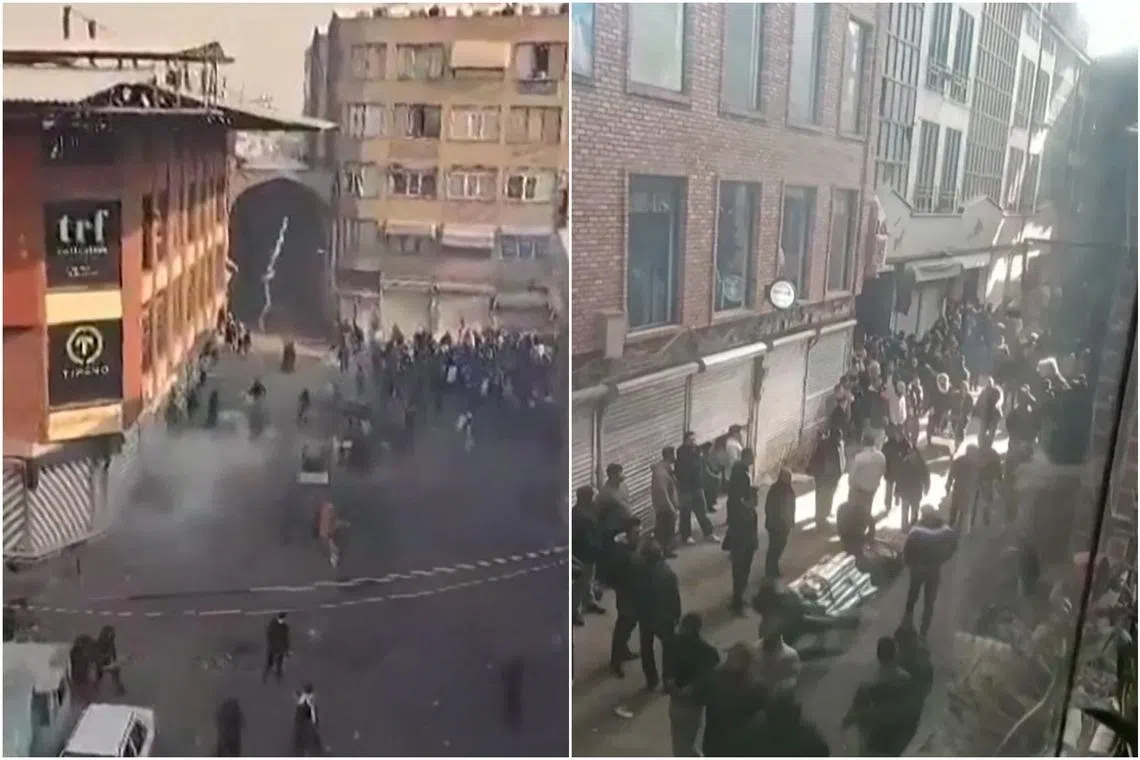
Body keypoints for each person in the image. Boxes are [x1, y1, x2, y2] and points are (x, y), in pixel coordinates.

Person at [842, 637, 914, 756]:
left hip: (872, 740)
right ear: (895, 654)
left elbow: (856, 708)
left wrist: (847, 721)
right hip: (894, 741)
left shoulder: (869, 680)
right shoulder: (905, 679)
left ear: (878, 655)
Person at [663, 613, 720, 756]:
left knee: (680, 744)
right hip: (695, 703)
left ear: (683, 626)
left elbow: (668, 675)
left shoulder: (672, 644)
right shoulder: (708, 652)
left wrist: (675, 689)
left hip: (677, 702)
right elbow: (710, 676)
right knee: (686, 742)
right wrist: (692, 688)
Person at [696, 644, 766, 758]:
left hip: (717, 743)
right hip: (740, 744)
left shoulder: (715, 679)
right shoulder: (756, 686)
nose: (726, 660)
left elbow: (698, 696)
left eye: (730, 657)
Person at [901, 505, 957, 636]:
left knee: (912, 597)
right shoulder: (945, 530)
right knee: (929, 601)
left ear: (923, 514)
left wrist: (910, 564)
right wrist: (942, 559)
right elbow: (954, 546)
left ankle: (907, 623)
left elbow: (907, 550)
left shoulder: (916, 530)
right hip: (934, 570)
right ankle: (924, 631)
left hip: (918, 569)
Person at [633, 539, 681, 691]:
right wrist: (676, 615)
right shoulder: (667, 573)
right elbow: (674, 597)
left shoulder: (638, 571)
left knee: (646, 649)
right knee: (669, 649)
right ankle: (668, 680)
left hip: (646, 617)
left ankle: (651, 680)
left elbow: (635, 595)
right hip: (665, 618)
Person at [724, 448, 759, 614]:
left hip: (745, 542)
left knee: (742, 570)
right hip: (741, 541)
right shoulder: (741, 475)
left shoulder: (741, 472)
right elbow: (735, 499)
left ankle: (739, 597)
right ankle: (738, 601)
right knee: (739, 570)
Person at [571, 486, 605, 626]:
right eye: (590, 495)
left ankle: (589, 602)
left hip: (591, 552)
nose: (592, 498)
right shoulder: (576, 514)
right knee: (579, 585)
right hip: (581, 555)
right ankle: (574, 611)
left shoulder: (591, 509)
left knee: (589, 580)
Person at [675, 432, 717, 544]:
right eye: (691, 440)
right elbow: (681, 472)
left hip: (697, 487)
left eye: (694, 440)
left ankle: (709, 533)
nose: (693, 442)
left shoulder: (697, 451)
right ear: (685, 441)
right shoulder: (682, 454)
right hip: (686, 489)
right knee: (685, 513)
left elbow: (700, 466)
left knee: (702, 512)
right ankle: (686, 536)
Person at [807, 427, 844, 529]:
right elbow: (833, 463)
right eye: (839, 437)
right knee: (825, 498)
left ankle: (821, 516)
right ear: (835, 437)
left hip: (824, 477)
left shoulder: (827, 444)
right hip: (827, 478)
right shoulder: (831, 446)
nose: (840, 439)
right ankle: (821, 519)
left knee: (822, 498)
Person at [750, 623, 801, 697]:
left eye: (773, 632)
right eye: (767, 631)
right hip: (757, 697)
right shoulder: (754, 650)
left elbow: (792, 681)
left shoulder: (790, 655)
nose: (769, 634)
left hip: (780, 699)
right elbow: (752, 676)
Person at [763, 468, 796, 579]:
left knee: (780, 546)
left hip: (784, 525)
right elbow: (770, 508)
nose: (789, 479)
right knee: (774, 547)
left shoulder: (788, 489)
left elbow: (792, 507)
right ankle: (771, 570)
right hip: (776, 525)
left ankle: (772, 567)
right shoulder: (775, 490)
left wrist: (791, 520)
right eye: (787, 477)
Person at [848, 433, 886, 520]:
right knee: (868, 504)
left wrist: (851, 483)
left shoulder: (859, 457)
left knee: (857, 505)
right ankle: (866, 519)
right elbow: (883, 471)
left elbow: (853, 473)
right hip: (873, 486)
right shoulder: (881, 456)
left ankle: (857, 521)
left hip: (860, 487)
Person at [894, 443, 931, 531]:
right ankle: (904, 528)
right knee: (905, 512)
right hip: (906, 492)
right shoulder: (904, 463)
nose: (911, 455)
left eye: (912, 453)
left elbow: (926, 477)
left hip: (916, 492)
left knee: (914, 512)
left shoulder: (921, 464)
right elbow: (899, 479)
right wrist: (897, 492)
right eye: (910, 453)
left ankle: (913, 528)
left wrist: (926, 488)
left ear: (917, 453)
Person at [651, 447, 680, 557]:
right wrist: (670, 507)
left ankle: (664, 550)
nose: (674, 457)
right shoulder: (660, 472)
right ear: (669, 455)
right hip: (665, 507)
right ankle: (662, 550)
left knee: (665, 529)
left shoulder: (666, 469)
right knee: (665, 530)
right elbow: (662, 491)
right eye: (673, 454)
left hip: (666, 505)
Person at [291, 684, 321, 756]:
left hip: (302, 722)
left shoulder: (303, 699)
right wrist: (315, 721)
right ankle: (307, 751)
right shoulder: (307, 701)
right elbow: (312, 711)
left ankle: (300, 749)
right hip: (306, 722)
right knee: (309, 737)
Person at [263, 612, 290, 683]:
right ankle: (277, 673)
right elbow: (286, 639)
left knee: (273, 661)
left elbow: (269, 635)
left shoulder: (273, 624)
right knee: (278, 661)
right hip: (278, 648)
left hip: (274, 647)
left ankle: (268, 672)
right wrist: (287, 649)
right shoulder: (284, 627)